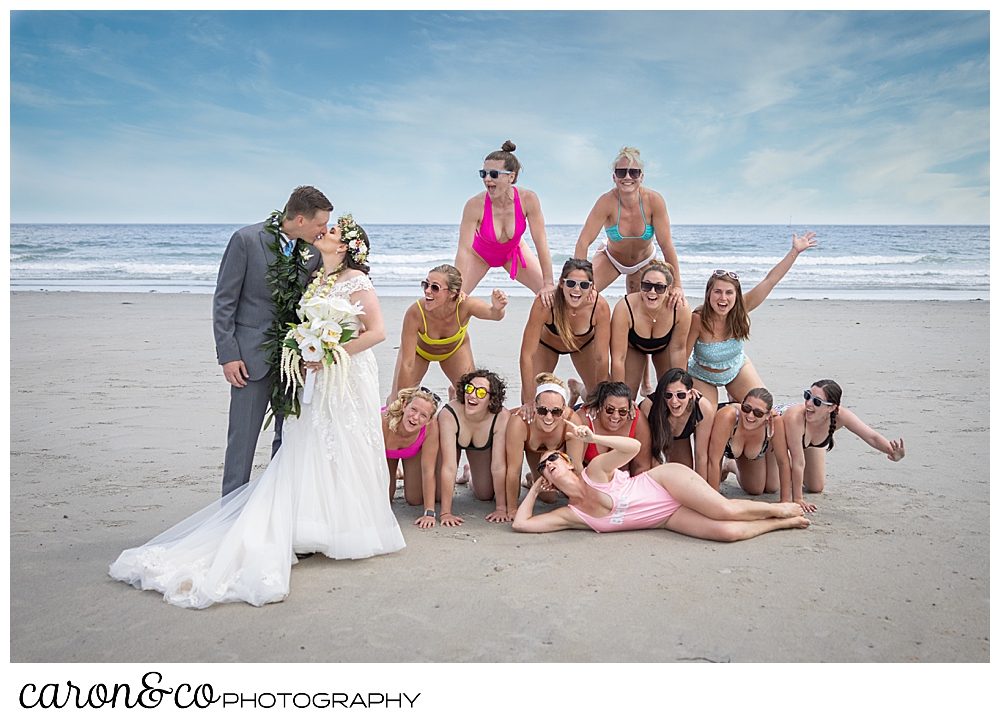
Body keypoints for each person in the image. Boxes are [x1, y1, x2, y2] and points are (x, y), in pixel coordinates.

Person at [110, 216, 404, 608]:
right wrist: (307, 349)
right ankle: (303, 526)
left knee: (344, 442)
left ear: (347, 246)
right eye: (324, 226)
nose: (324, 232)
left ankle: (343, 527)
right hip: (312, 374)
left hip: (345, 376)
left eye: (332, 231)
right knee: (308, 444)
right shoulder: (316, 276)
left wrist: (331, 353)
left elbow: (377, 332)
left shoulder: (357, 282)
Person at [213, 185, 329, 497]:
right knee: (242, 441)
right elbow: (224, 302)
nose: (325, 231)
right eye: (320, 224)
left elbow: (315, 304)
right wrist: (228, 355)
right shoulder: (246, 240)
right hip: (248, 361)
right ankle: (229, 514)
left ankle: (277, 512)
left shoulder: (314, 251)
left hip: (293, 361)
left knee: (287, 438)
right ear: (301, 220)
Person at [512, 423, 809, 539]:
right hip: (664, 518)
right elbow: (521, 524)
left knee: (725, 510)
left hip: (664, 482)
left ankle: (781, 508)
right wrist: (537, 487)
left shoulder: (595, 473)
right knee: (727, 534)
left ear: (567, 461)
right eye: (542, 466)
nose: (548, 465)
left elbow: (633, 448)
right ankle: (780, 523)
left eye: (553, 459)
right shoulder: (570, 515)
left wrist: (595, 438)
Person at [685, 231, 818, 436]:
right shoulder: (697, 319)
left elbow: (769, 281)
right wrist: (683, 386)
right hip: (703, 375)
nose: (723, 298)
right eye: (718, 292)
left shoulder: (741, 308)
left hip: (737, 367)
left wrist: (795, 251)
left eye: (729, 292)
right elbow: (681, 354)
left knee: (765, 413)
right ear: (709, 294)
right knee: (708, 421)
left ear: (736, 296)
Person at [779, 380, 906, 513]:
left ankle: (788, 464)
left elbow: (871, 437)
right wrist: (798, 499)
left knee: (816, 486)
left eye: (817, 401)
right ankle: (784, 460)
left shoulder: (841, 416)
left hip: (809, 442)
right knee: (770, 486)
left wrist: (891, 451)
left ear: (831, 408)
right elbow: (798, 461)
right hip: (780, 428)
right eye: (807, 396)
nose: (809, 403)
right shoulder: (796, 417)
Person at [455, 140, 557, 306]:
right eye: (484, 174)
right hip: (479, 255)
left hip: (514, 253)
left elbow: (541, 242)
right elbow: (463, 250)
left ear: (511, 176)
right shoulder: (474, 205)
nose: (487, 179)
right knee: (453, 302)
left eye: (494, 174)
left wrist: (549, 283)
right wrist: (457, 288)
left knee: (552, 299)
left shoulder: (528, 199)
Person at [388, 264, 507, 403]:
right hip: (419, 352)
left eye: (435, 287)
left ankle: (454, 392)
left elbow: (494, 314)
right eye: (425, 284)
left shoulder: (465, 305)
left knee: (470, 397)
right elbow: (407, 364)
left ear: (452, 293)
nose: (427, 291)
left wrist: (498, 308)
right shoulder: (415, 312)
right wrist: (401, 402)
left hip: (454, 350)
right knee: (397, 400)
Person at [574, 146, 683, 298]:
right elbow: (583, 243)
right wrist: (580, 280)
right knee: (583, 295)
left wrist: (677, 286)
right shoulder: (606, 202)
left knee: (646, 308)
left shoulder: (654, 201)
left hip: (644, 262)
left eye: (633, 172)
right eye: (621, 172)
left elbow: (666, 245)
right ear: (614, 177)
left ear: (641, 176)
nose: (627, 177)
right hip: (611, 260)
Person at [517, 259, 611, 420]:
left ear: (592, 286)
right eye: (571, 283)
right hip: (547, 345)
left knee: (601, 400)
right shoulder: (546, 302)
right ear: (561, 283)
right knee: (533, 405)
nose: (576, 289)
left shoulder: (599, 307)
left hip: (583, 346)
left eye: (584, 285)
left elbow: (602, 358)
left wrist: (599, 399)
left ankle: (577, 389)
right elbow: (527, 355)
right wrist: (527, 401)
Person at [432, 369, 511, 526]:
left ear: (491, 399)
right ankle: (452, 396)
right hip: (454, 435)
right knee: (438, 496)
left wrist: (501, 508)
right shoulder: (449, 413)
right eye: (470, 388)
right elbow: (449, 466)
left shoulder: (501, 416)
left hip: (481, 442)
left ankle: (468, 473)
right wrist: (446, 512)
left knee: (485, 494)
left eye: (481, 392)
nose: (472, 395)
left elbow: (498, 465)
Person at [503, 374, 587, 516]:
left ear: (564, 409)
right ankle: (471, 476)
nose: (549, 417)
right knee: (484, 492)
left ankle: (531, 479)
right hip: (530, 446)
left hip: (555, 450)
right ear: (534, 407)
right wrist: (512, 508)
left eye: (556, 411)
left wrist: (585, 504)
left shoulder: (571, 421)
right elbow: (514, 470)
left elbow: (577, 466)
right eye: (542, 410)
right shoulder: (520, 423)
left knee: (551, 497)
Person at [610, 260, 691, 398]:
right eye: (647, 286)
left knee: (669, 395)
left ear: (669, 289)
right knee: (627, 396)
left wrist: (681, 387)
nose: (652, 291)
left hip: (664, 348)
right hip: (633, 347)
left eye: (659, 287)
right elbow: (618, 358)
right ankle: (579, 387)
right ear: (641, 286)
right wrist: (619, 396)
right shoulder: (625, 307)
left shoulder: (680, 308)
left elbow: (678, 350)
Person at [706, 388, 792, 504]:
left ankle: (730, 465)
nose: (750, 416)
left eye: (758, 413)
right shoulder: (728, 416)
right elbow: (714, 460)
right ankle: (728, 462)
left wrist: (785, 501)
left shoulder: (775, 422)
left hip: (755, 446)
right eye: (746, 408)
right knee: (756, 489)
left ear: (768, 415)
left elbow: (783, 461)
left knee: (765, 488)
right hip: (726, 444)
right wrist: (714, 499)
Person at [640, 368, 713, 479]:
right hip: (651, 445)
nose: (674, 401)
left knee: (683, 476)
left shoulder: (702, 408)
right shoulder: (649, 407)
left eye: (681, 395)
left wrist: (702, 490)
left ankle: (729, 465)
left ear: (691, 393)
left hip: (679, 440)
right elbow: (645, 451)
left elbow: (701, 457)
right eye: (668, 395)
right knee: (655, 478)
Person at [383, 386, 441, 518]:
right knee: (385, 498)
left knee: (415, 499)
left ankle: (399, 471)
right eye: (413, 409)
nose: (415, 417)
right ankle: (395, 471)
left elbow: (428, 470)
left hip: (412, 452)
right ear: (404, 406)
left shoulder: (431, 427)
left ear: (429, 420)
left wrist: (429, 512)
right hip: (385, 454)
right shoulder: (382, 422)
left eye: (423, 415)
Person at [581, 381, 652, 476]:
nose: (615, 416)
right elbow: (575, 465)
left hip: (622, 484)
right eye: (609, 409)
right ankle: (578, 387)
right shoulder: (585, 419)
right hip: (590, 481)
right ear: (600, 406)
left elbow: (642, 467)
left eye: (622, 411)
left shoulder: (637, 419)